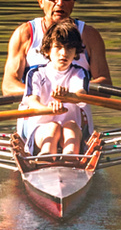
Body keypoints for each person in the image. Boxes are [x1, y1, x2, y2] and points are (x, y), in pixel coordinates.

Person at [2, 0, 111, 99]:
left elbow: (105, 86)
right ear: (41, 1)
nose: (60, 3)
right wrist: (45, 91)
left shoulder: (90, 36)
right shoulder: (25, 34)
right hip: (36, 114)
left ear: (73, 2)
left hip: (74, 115)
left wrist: (71, 93)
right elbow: (8, 86)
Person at [17, 18, 95, 157]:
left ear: (76, 52)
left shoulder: (79, 72)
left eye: (69, 48)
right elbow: (33, 102)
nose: (64, 53)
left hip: (71, 131)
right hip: (41, 131)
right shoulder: (36, 74)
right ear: (47, 51)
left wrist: (70, 96)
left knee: (70, 125)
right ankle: (47, 155)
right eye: (58, 47)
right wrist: (49, 110)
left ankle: (70, 156)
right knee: (52, 128)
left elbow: (81, 93)